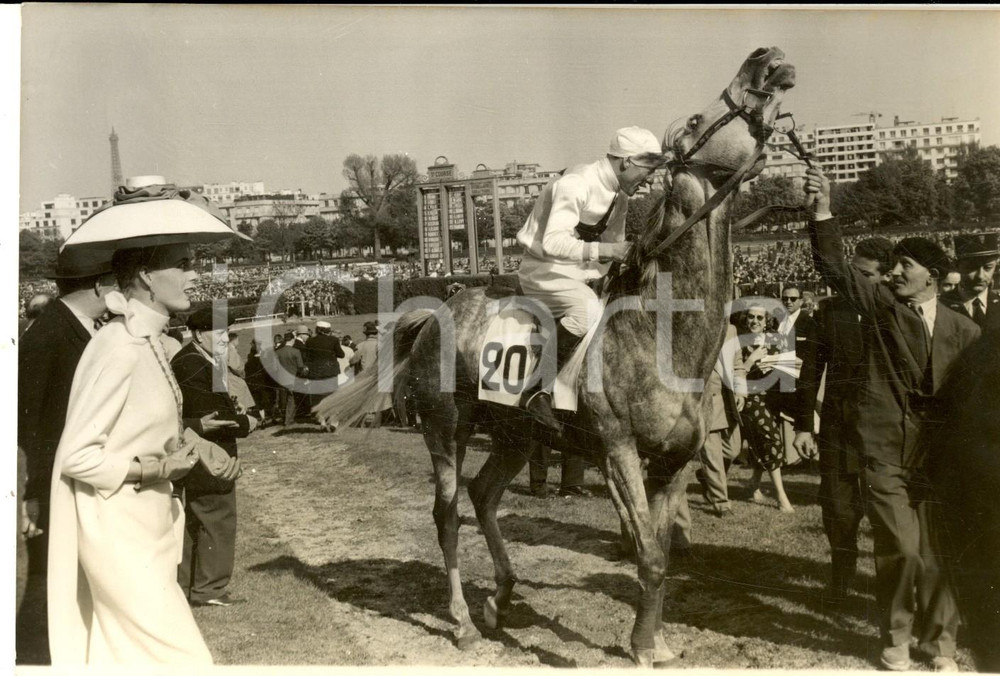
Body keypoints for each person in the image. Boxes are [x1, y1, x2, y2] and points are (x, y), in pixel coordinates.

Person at [46, 181, 242, 665]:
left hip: (150, 531)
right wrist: (157, 470)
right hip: (119, 538)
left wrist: (191, 441)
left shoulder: (150, 340)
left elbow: (141, 426)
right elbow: (77, 456)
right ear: (148, 276)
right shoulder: (117, 346)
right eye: (186, 264)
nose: (197, 275)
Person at [806, 166, 980, 672]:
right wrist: (822, 210)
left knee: (940, 556)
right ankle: (897, 639)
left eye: (904, 266)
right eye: (891, 267)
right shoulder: (882, 310)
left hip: (940, 462)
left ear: (930, 274)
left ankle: (941, 646)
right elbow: (835, 268)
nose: (893, 273)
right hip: (884, 451)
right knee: (901, 550)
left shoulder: (964, 331)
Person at [515, 126, 668, 431]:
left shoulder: (619, 197)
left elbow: (612, 254)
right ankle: (535, 389)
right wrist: (609, 249)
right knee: (587, 312)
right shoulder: (576, 183)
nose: (650, 179)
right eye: (648, 169)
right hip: (543, 270)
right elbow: (553, 243)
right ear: (627, 162)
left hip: (577, 275)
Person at [16, 247, 116, 665]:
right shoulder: (50, 334)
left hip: (68, 476)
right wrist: (33, 495)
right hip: (52, 483)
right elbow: (28, 425)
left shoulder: (70, 326)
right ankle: (35, 660)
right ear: (99, 285)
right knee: (47, 578)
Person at [793, 236, 894, 605]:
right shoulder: (829, 310)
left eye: (864, 275)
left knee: (886, 515)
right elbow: (810, 369)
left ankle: (889, 589)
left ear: (883, 278)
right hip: (837, 429)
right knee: (837, 510)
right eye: (852, 272)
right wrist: (804, 424)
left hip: (883, 433)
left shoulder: (895, 312)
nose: (853, 281)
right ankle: (840, 581)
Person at [172, 307, 258, 608]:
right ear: (197, 334)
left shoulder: (197, 359)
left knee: (197, 521)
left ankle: (189, 586)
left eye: (227, 333)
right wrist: (249, 422)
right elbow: (215, 417)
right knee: (217, 518)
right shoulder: (193, 363)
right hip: (210, 457)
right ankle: (210, 589)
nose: (226, 339)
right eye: (219, 333)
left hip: (201, 453)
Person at [737, 305, 796, 513]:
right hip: (750, 399)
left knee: (761, 443)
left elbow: (790, 368)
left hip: (772, 399)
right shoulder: (738, 342)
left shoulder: (776, 341)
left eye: (759, 318)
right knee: (771, 439)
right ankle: (781, 497)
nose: (755, 321)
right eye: (751, 317)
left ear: (766, 321)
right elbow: (733, 374)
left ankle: (753, 486)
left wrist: (777, 367)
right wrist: (751, 361)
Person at [695, 321, 746, 517]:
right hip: (705, 399)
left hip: (728, 400)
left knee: (733, 450)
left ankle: (706, 477)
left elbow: (738, 364)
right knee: (712, 454)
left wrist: (741, 392)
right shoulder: (693, 325)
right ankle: (721, 503)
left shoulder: (730, 329)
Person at [770, 284, 819, 467]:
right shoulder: (779, 321)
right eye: (785, 298)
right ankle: (792, 457)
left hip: (801, 379)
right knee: (785, 417)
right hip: (781, 377)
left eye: (792, 299)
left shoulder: (810, 323)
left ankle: (809, 455)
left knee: (805, 417)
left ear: (800, 301)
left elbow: (811, 356)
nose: (788, 302)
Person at [940, 232, 1000, 332]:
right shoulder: (941, 306)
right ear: (957, 265)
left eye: (988, 268)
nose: (980, 276)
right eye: (972, 267)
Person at [301, 320, 345, 430]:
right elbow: (341, 354)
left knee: (318, 398)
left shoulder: (310, 341)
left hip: (315, 373)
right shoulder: (334, 340)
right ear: (328, 330)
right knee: (332, 396)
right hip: (330, 372)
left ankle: (322, 421)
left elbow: (307, 357)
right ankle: (333, 421)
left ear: (318, 329)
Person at [275, 330, 307, 426]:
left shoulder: (278, 352)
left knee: (282, 399)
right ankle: (288, 420)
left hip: (280, 378)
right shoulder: (296, 351)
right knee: (291, 399)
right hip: (292, 378)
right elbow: (300, 366)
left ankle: (283, 417)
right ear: (292, 340)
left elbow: (275, 367)